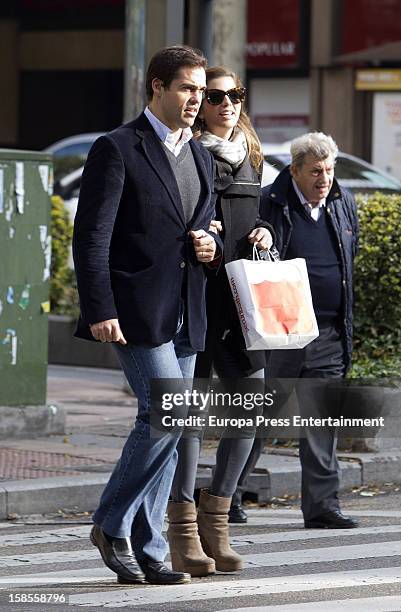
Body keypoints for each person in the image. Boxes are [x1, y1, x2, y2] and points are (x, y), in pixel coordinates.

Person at [72, 45, 222, 586]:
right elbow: (91, 237)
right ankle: (112, 525)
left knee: (175, 423)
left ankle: (149, 543)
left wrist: (210, 243)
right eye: (187, 88)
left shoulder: (201, 154)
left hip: (187, 308)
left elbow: (202, 221)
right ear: (156, 87)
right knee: (164, 414)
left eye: (201, 90)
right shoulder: (117, 148)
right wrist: (99, 308)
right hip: (134, 309)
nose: (197, 99)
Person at [167, 66, 275, 577]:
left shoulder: (254, 157)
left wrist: (266, 233)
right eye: (216, 95)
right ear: (201, 102)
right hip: (196, 299)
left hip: (241, 306)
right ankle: (183, 529)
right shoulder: (187, 154)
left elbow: (270, 218)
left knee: (249, 409)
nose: (227, 103)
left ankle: (218, 517)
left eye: (235, 95)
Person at [232, 131, 359, 529]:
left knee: (322, 423)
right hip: (282, 331)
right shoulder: (270, 202)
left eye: (329, 170)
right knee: (260, 419)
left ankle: (322, 506)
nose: (324, 179)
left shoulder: (342, 201)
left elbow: (348, 256)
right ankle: (227, 496)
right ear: (295, 171)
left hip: (329, 333)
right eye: (316, 172)